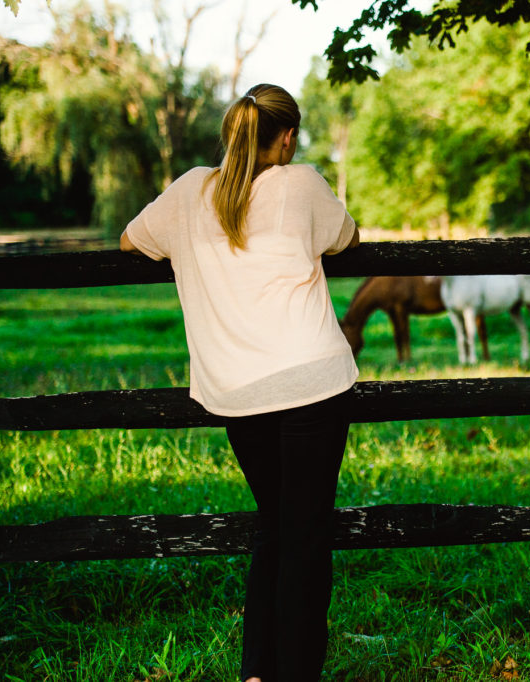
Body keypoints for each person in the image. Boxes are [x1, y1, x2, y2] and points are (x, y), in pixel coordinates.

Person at [121, 83, 360, 682]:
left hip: (238, 393)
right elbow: (347, 236)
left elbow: (130, 240)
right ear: (287, 136)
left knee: (277, 528)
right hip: (312, 384)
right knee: (303, 539)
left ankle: (258, 672)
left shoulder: (187, 191)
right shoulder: (301, 183)